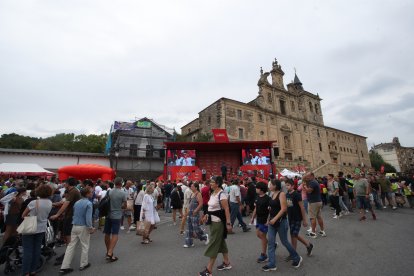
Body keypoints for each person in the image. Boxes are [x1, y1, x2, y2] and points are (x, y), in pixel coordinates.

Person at [262, 179, 302, 272]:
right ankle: (272, 264)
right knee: (271, 243)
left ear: (275, 185)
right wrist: (268, 219)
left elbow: (284, 209)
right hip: (272, 222)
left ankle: (297, 257)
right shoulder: (272, 194)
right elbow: (271, 209)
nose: (269, 185)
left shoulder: (282, 194)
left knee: (284, 242)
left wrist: (274, 219)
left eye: (270, 184)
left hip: (281, 222)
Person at [199, 179, 232, 276]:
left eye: (212, 182)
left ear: (217, 184)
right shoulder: (213, 193)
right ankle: (227, 263)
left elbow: (226, 209)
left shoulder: (222, 194)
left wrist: (228, 223)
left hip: (218, 222)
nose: (210, 184)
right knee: (221, 242)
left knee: (214, 244)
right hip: (212, 221)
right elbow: (211, 208)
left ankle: (209, 270)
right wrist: (206, 215)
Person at [60, 187, 95, 274]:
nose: (92, 193)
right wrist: (90, 227)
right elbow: (88, 218)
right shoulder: (89, 203)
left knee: (71, 246)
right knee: (85, 245)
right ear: (87, 194)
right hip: (83, 226)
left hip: (74, 225)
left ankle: (64, 266)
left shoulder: (77, 202)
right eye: (91, 192)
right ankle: (83, 264)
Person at [21, 185, 53, 276]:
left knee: (28, 250)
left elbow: (23, 215)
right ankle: (33, 270)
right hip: (42, 228)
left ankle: (26, 272)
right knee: (37, 249)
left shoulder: (33, 202)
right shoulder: (49, 202)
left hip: (30, 227)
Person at [50, 177, 82, 265]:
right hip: (69, 216)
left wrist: (57, 214)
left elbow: (65, 204)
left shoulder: (73, 191)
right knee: (66, 235)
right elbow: (63, 202)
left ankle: (68, 256)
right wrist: (51, 204)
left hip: (70, 216)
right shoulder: (73, 191)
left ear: (68, 183)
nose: (64, 184)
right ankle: (67, 254)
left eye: (65, 182)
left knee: (68, 236)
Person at [285, 181, 313, 257]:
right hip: (290, 218)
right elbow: (288, 207)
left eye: (288, 185)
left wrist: (304, 219)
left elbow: (302, 207)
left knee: (294, 234)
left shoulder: (296, 194)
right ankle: (295, 251)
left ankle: (307, 245)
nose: (286, 187)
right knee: (292, 235)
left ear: (292, 186)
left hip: (297, 218)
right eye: (286, 185)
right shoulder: (287, 194)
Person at [104, 177, 127, 262]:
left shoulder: (109, 191)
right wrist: (120, 206)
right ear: (122, 183)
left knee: (107, 233)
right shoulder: (123, 193)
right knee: (115, 234)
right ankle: (110, 253)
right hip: (117, 216)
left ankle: (108, 251)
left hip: (108, 215)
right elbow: (125, 206)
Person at [250, 182, 270, 263]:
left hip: (264, 220)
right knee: (258, 235)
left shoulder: (268, 199)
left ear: (261, 190)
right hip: (258, 219)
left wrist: (268, 220)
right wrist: (252, 217)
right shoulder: (257, 197)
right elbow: (256, 208)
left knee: (262, 235)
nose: (256, 189)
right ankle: (271, 244)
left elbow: (270, 211)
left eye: (257, 188)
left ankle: (264, 254)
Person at [184, 182, 208, 247]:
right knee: (189, 228)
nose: (191, 187)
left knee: (196, 228)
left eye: (192, 186)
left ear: (196, 187)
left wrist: (196, 210)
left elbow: (201, 204)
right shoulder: (192, 193)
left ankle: (205, 237)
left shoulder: (198, 194)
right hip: (190, 213)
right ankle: (189, 243)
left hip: (195, 213)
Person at [302, 173, 326, 238]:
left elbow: (309, 191)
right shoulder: (313, 181)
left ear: (312, 176)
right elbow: (304, 179)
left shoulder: (312, 182)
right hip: (318, 201)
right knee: (319, 217)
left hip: (313, 202)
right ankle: (322, 231)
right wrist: (305, 179)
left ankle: (313, 233)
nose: (307, 178)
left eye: (308, 176)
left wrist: (305, 187)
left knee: (312, 217)